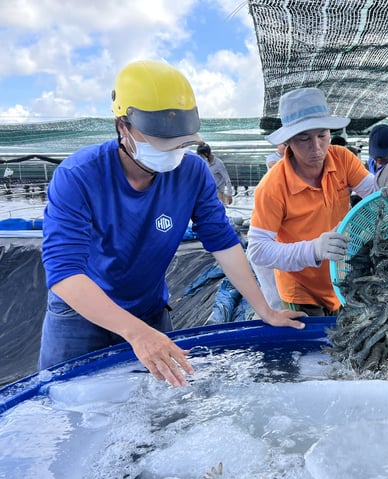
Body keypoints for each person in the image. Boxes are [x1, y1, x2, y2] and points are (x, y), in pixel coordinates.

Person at [39, 60, 306, 388]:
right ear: (123, 127)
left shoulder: (192, 173)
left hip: (147, 307)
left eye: (181, 142)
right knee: (66, 402)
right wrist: (137, 334)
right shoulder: (79, 176)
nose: (172, 152)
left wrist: (265, 309)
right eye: (159, 141)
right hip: (80, 314)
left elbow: (222, 242)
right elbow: (65, 272)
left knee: (157, 405)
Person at [247, 87, 388, 316]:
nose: (316, 147)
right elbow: (258, 249)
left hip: (341, 276)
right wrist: (313, 249)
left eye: (322, 135)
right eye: (304, 139)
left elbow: (371, 192)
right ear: (289, 141)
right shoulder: (273, 187)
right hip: (301, 289)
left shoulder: (342, 159)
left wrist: (386, 180)